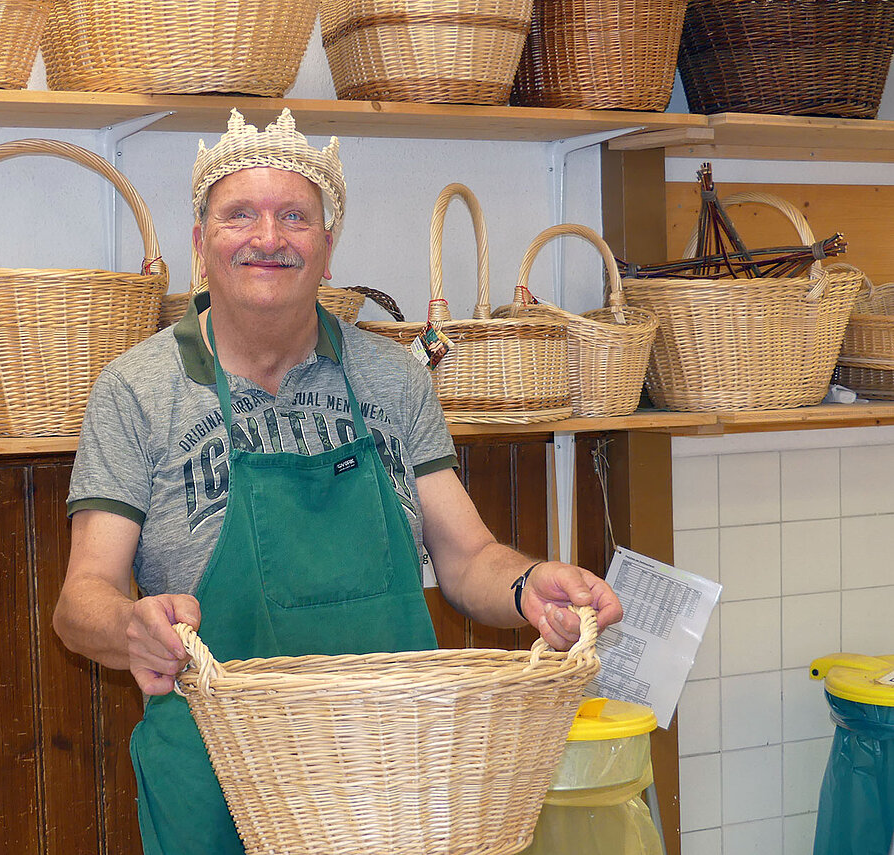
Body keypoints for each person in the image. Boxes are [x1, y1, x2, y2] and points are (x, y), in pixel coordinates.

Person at [53, 108, 624, 855]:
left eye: (295, 215)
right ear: (201, 245)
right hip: (219, 784)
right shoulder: (137, 390)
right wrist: (130, 627)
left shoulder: (390, 378)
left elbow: (467, 556)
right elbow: (78, 599)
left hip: (395, 775)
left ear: (327, 246)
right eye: (239, 216)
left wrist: (529, 585)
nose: (268, 237)